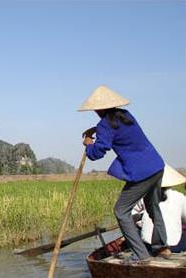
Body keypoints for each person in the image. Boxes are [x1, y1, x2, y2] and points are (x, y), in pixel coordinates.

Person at [79, 85, 169, 262]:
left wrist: (89, 142)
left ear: (99, 109)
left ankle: (142, 256)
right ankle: (162, 248)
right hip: (156, 166)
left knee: (121, 211)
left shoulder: (105, 125)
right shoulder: (125, 115)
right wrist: (97, 129)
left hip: (141, 172)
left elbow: (96, 153)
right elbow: (116, 128)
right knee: (153, 207)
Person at [134, 165, 186, 253]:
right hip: (173, 245)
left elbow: (133, 214)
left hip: (148, 243)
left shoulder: (144, 195)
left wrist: (140, 222)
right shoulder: (179, 197)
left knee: (139, 231)